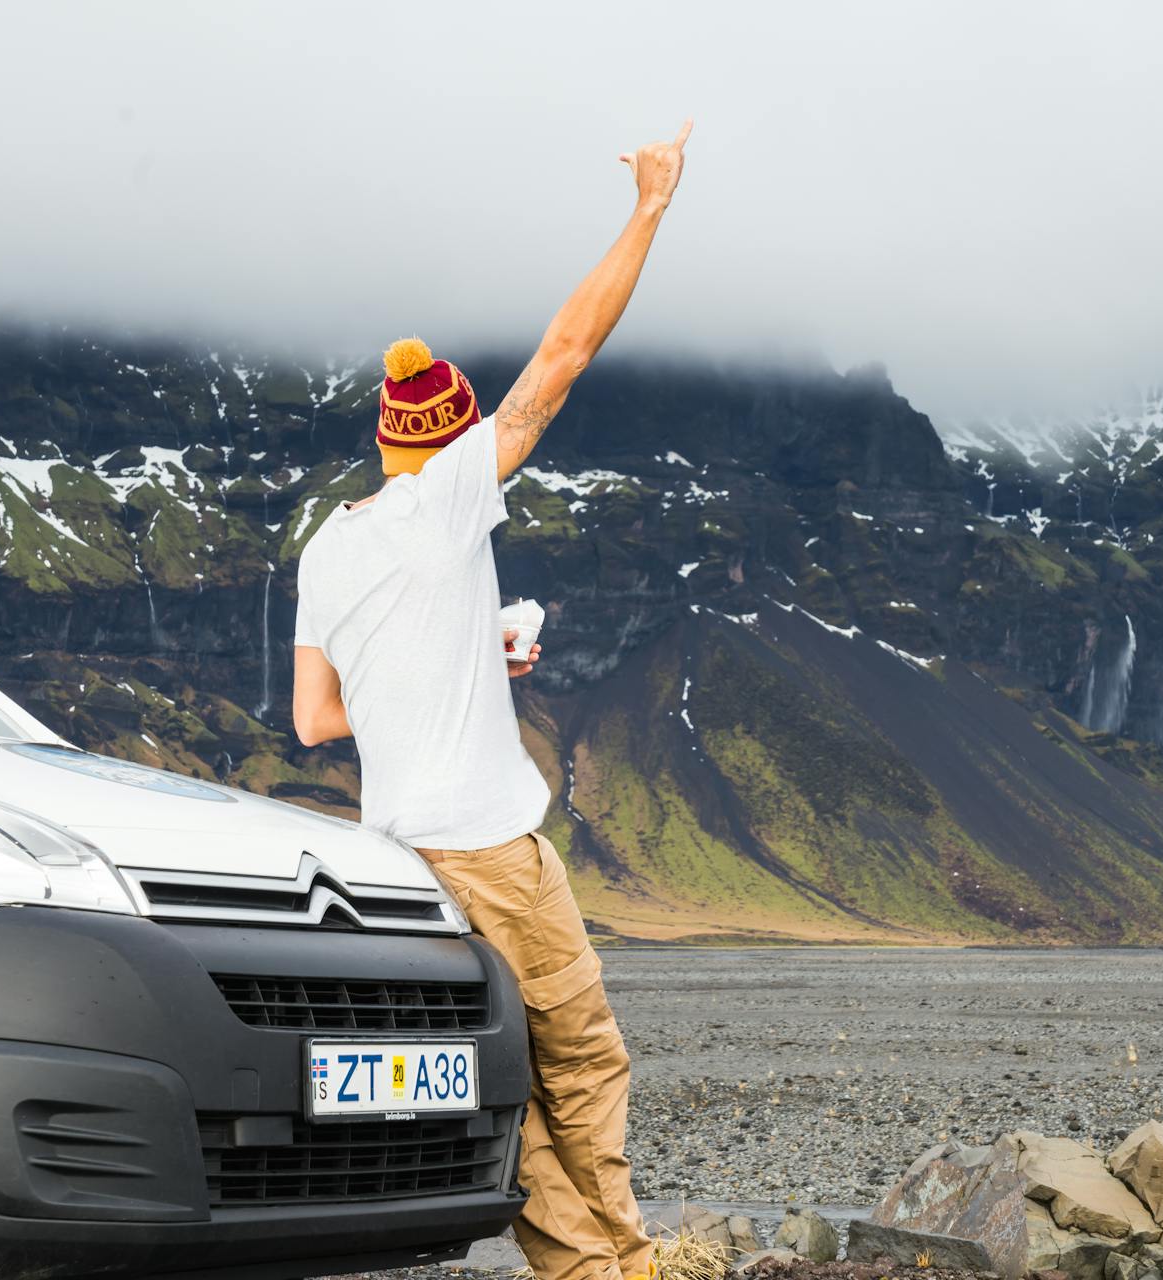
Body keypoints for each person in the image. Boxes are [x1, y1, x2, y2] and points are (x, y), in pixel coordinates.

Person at [292, 120, 691, 1280]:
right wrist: (650, 209)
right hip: (488, 844)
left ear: (382, 444)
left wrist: (462, 657)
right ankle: (617, 1261)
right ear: (452, 433)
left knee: (494, 1069)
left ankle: (587, 1264)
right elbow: (565, 354)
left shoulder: (332, 544)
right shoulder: (456, 489)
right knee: (581, 1054)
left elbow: (318, 717)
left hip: (393, 855)